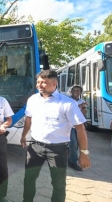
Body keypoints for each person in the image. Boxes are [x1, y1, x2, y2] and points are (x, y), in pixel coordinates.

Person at [20, 70, 91, 202]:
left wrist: (83, 153)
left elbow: (80, 128)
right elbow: (28, 119)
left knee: (58, 184)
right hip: (35, 147)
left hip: (57, 150)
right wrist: (24, 136)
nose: (39, 85)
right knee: (29, 179)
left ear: (54, 84)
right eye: (38, 82)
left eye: (44, 82)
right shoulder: (33, 100)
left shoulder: (67, 103)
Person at [68, 85, 87, 171]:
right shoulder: (68, 100)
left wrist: (82, 107)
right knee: (73, 144)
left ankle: (71, 159)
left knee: (78, 144)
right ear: (71, 91)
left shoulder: (82, 101)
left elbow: (83, 113)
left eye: (78, 91)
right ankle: (73, 162)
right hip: (70, 126)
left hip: (79, 126)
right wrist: (78, 107)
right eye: (74, 90)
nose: (76, 92)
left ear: (80, 93)